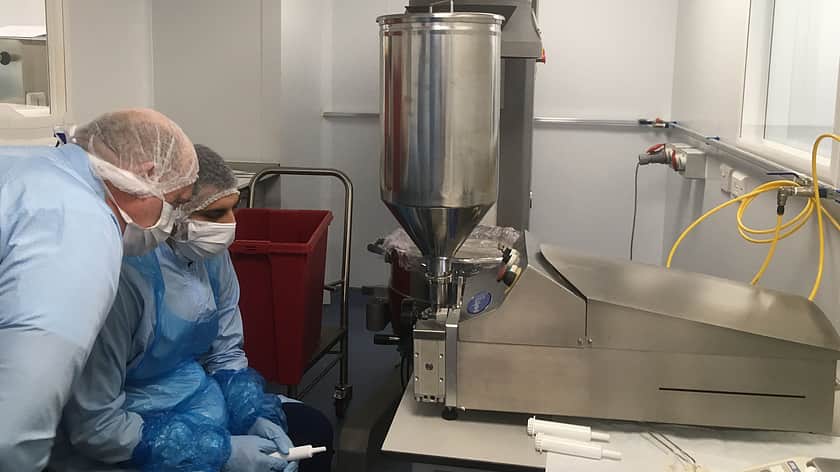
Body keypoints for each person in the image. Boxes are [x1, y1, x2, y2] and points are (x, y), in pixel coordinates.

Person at [53, 145, 334, 472]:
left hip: (196, 398)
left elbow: (226, 352)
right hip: (130, 431)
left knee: (311, 429)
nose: (230, 226)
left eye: (233, 209)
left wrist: (251, 413)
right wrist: (219, 454)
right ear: (170, 210)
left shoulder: (209, 254)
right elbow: (95, 425)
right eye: (214, 214)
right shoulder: (122, 278)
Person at [0, 109, 198, 471]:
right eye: (177, 202)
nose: (174, 219)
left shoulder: (29, 166)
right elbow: (10, 436)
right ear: (147, 173)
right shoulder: (80, 227)